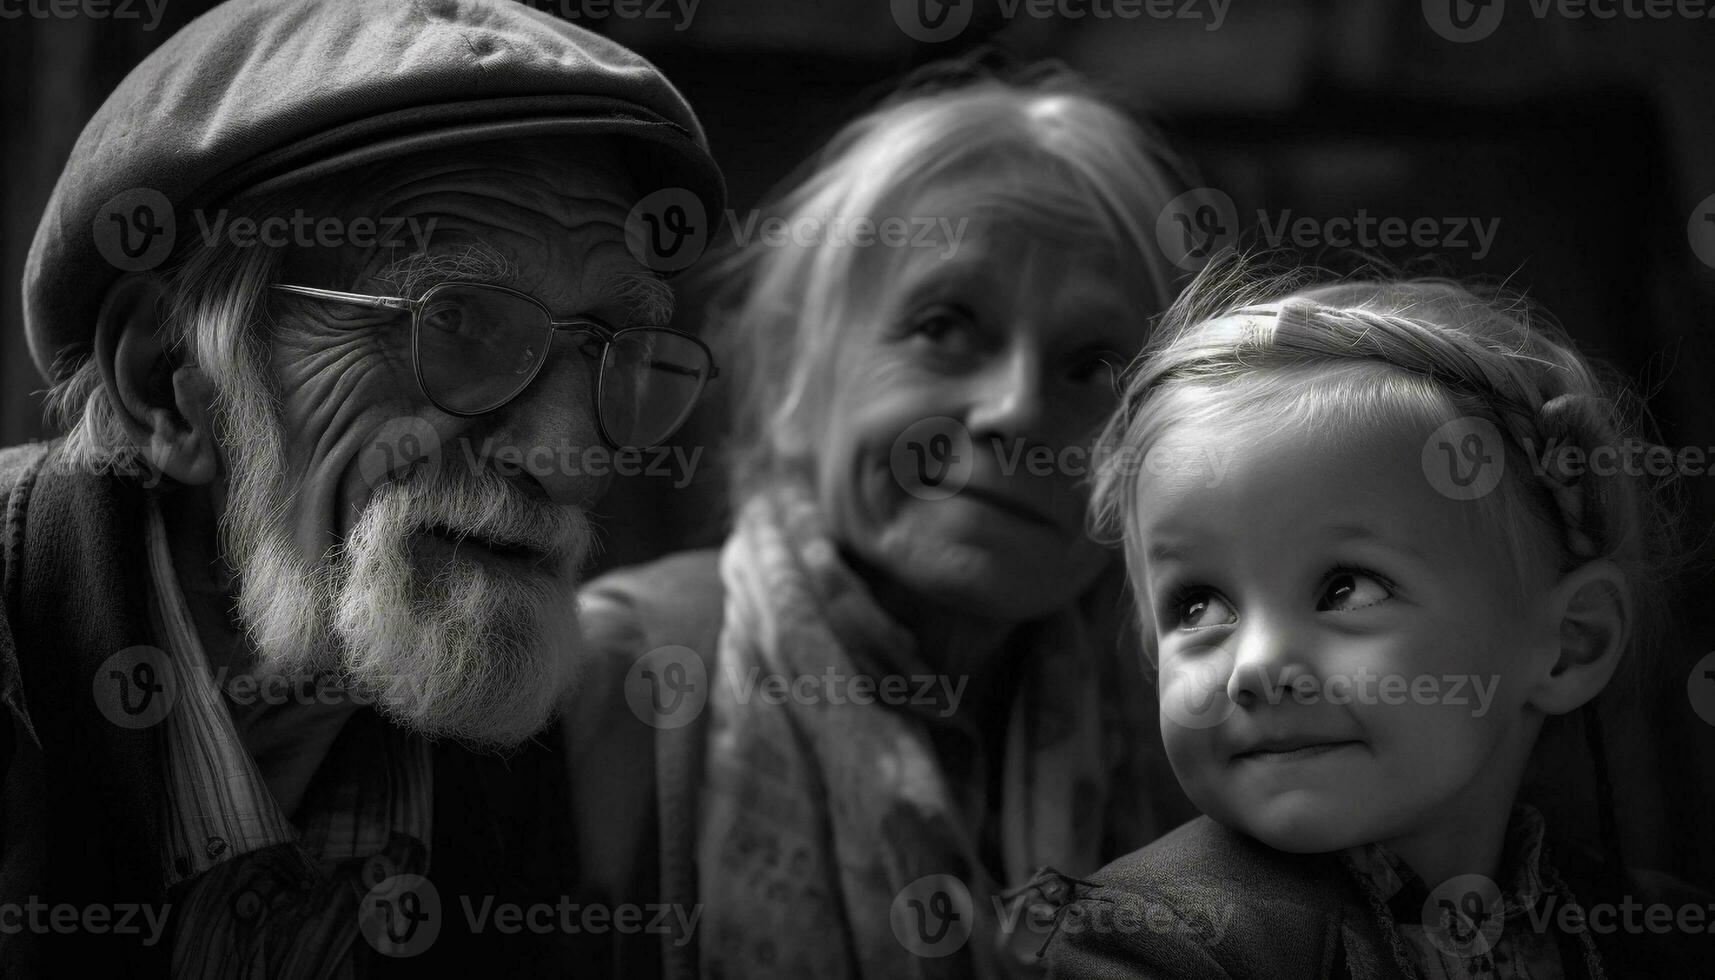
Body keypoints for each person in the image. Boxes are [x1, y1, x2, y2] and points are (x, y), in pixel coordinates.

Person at [0, 0, 723, 974]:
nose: (569, 458)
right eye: (457, 321)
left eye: (610, 350)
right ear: (167, 380)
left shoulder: (547, 752)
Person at [577, 67, 1198, 979]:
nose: (1016, 410)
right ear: (794, 371)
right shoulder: (615, 683)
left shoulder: (1183, 737)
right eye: (945, 324)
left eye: (1092, 365)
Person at [1038, 265, 1707, 977]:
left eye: (1346, 590)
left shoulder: (1657, 938)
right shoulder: (1146, 944)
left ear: (1569, 643)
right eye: (1197, 606)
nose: (1257, 665)